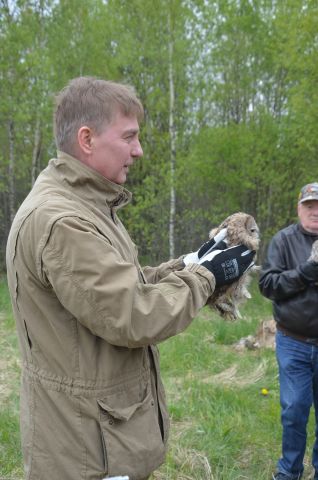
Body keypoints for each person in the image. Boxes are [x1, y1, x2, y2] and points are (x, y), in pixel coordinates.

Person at [6, 76, 254, 480]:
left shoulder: (85, 204)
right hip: (86, 452)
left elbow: (122, 283)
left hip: (96, 441)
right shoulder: (64, 221)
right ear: (87, 139)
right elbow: (134, 315)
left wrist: (190, 263)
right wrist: (206, 278)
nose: (138, 151)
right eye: (129, 137)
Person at [259, 182, 318, 480]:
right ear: (299, 208)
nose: (315, 211)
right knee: (294, 410)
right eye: (309, 205)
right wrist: (308, 271)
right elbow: (268, 285)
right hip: (293, 341)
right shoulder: (283, 241)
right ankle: (290, 471)